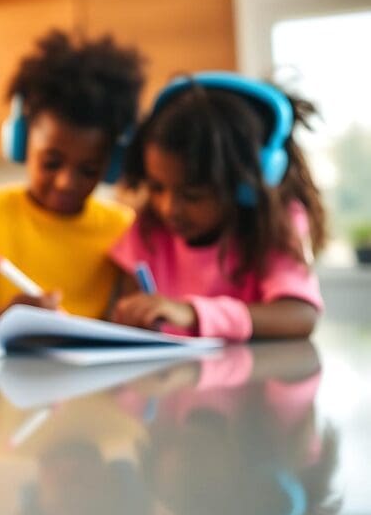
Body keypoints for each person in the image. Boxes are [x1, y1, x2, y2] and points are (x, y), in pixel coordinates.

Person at [0, 30, 145, 331]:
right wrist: (5, 318)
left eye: (88, 170)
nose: (66, 183)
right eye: (51, 163)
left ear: (111, 164)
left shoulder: (122, 226)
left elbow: (134, 320)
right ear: (22, 140)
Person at [110, 72, 326, 340]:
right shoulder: (148, 229)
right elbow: (129, 312)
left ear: (242, 187)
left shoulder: (274, 226)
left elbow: (300, 315)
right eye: (156, 188)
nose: (169, 209)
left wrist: (193, 313)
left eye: (192, 195)